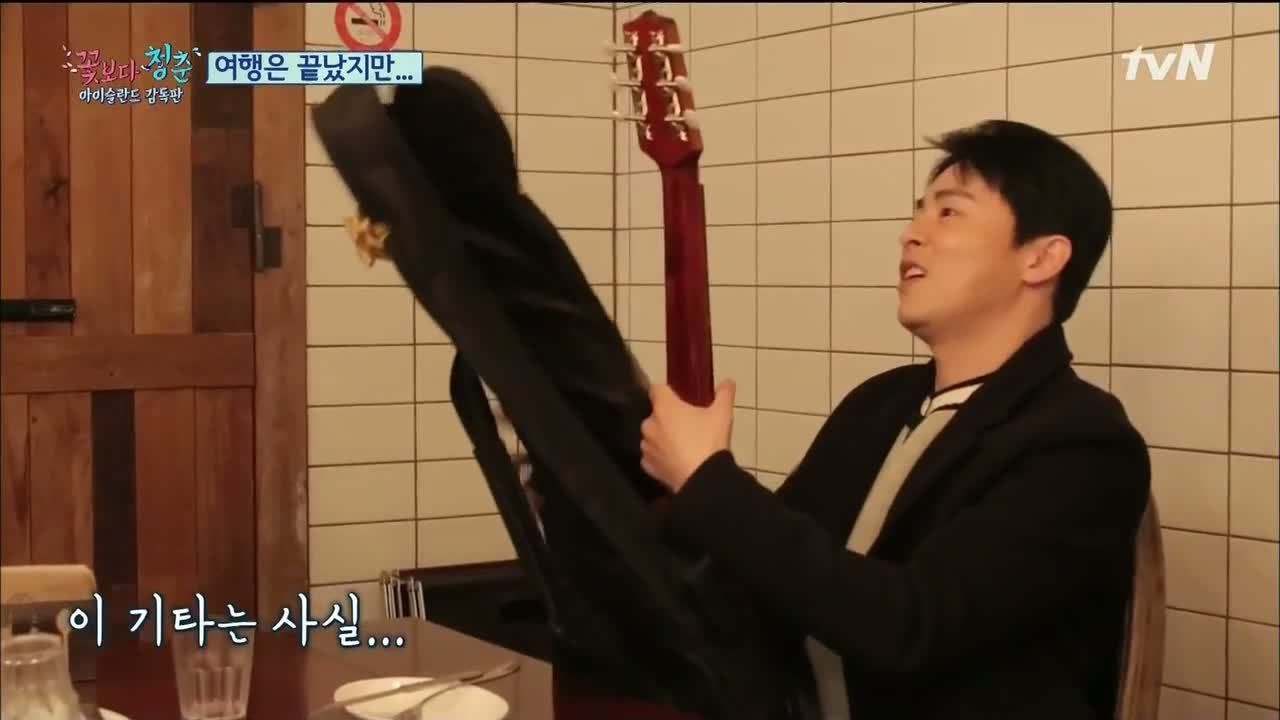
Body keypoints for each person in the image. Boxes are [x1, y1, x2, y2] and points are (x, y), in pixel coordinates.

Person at [639, 119, 1152, 720]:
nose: (911, 235)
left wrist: (709, 481)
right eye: (917, 213)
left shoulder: (1082, 445)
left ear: (1041, 257)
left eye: (949, 213)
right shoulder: (879, 404)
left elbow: (908, 628)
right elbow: (766, 577)